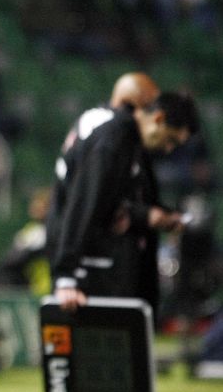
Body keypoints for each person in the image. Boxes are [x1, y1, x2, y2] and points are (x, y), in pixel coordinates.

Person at [46, 91, 200, 313]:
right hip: (88, 274)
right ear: (158, 119)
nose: (168, 149)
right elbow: (82, 205)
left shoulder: (130, 142)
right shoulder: (111, 141)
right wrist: (65, 278)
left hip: (102, 269)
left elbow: (113, 200)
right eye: (170, 139)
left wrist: (150, 214)